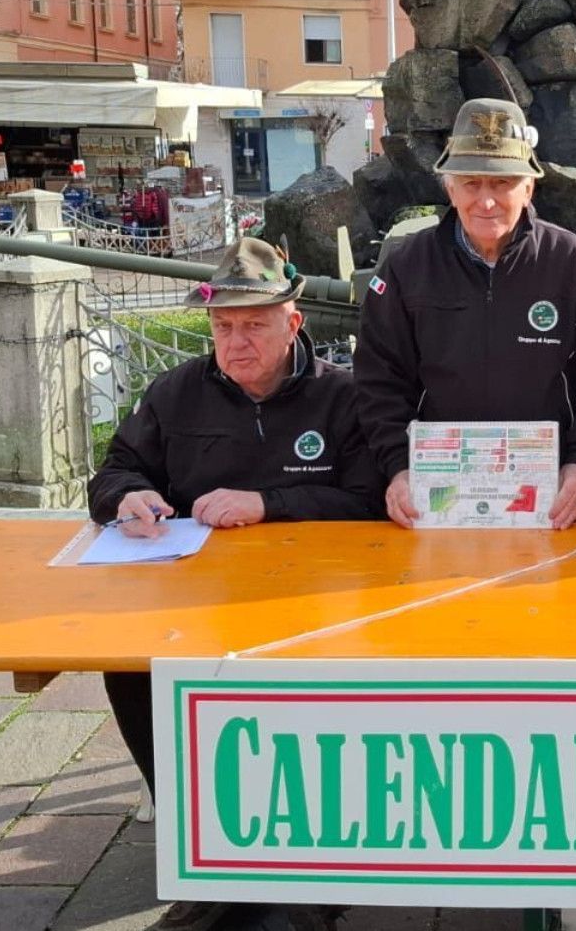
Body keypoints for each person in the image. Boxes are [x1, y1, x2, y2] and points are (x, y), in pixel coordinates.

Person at [87, 237, 377, 931]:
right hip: (196, 597)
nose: (236, 342)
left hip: (311, 601)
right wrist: (129, 497)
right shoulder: (177, 392)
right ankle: (199, 848)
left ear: (293, 323)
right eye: (223, 327)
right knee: (130, 668)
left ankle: (311, 871)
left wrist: (268, 503)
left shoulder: (343, 397)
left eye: (254, 325)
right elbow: (116, 470)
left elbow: (371, 497)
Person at [354, 98, 576, 528]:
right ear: (449, 188)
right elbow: (379, 380)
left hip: (553, 497)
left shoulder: (575, 264)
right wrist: (398, 468)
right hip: (437, 495)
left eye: (502, 183)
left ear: (529, 188)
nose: (486, 201)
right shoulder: (406, 266)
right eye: (471, 183)